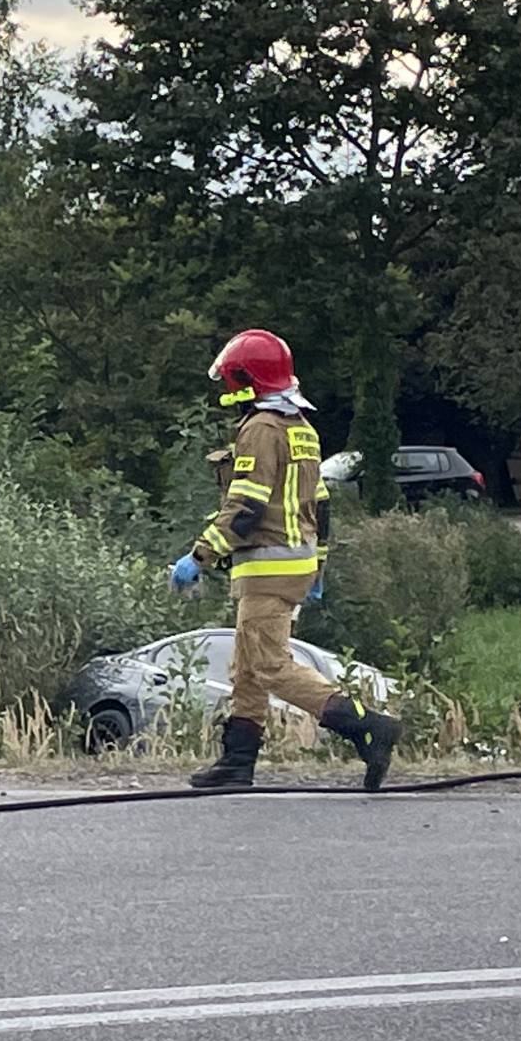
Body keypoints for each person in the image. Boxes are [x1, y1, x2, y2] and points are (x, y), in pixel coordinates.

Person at [171, 328, 400, 792]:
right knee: (247, 666)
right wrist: (319, 566)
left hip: (268, 569)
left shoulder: (260, 429)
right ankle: (237, 762)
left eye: (233, 380)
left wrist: (200, 556)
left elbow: (247, 507)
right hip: (294, 565)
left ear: (248, 381)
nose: (227, 390)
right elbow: (321, 504)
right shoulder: (302, 428)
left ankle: (366, 724)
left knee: (270, 665)